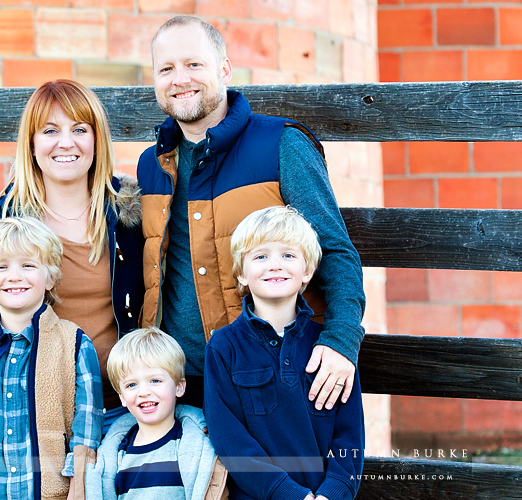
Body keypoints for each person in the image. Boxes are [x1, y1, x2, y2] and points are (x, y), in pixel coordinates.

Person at [138, 15, 365, 410]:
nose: (180, 79)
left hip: (272, 376)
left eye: (194, 64)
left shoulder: (282, 144)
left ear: (224, 69)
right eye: (167, 68)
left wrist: (341, 340)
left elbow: (336, 251)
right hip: (180, 388)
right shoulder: (151, 165)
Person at [0, 80, 144, 427]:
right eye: (50, 130)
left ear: (97, 140)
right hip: (27, 410)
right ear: (32, 143)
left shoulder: (131, 217)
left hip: (125, 407)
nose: (66, 143)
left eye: (80, 129)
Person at [0, 217, 103, 500]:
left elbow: (86, 437)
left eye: (28, 265)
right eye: (1, 267)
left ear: (49, 277)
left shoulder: (74, 344)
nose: (14, 276)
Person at [204, 206, 364, 500]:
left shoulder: (329, 352)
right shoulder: (224, 347)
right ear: (241, 273)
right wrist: (288, 494)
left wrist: (334, 493)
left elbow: (350, 437)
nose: (275, 265)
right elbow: (230, 439)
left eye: (288, 255)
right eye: (261, 256)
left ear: (307, 271)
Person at [84, 327, 228, 500]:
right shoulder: (116, 453)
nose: (143, 392)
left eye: (155, 380)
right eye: (131, 385)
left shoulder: (193, 444)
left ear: (179, 387)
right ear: (121, 397)